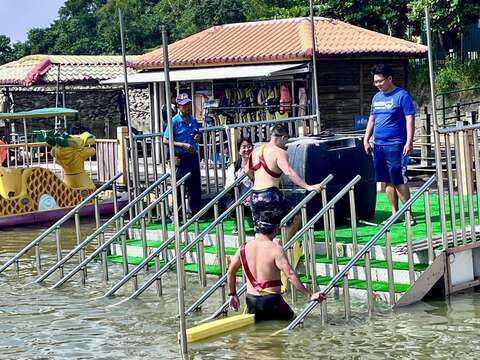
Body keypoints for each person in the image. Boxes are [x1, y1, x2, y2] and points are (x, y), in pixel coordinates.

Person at [227, 225, 325, 321]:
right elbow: (290, 274)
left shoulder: (243, 248)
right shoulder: (275, 249)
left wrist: (233, 294)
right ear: (276, 228)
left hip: (251, 301)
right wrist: (309, 295)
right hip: (272, 301)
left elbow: (230, 272)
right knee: (298, 324)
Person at [246, 124, 322, 238]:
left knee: (261, 232)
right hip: (270, 196)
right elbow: (289, 172)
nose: (285, 144)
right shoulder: (280, 152)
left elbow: (247, 170)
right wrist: (307, 186)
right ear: (283, 137)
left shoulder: (256, 151)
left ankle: (262, 254)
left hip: (255, 196)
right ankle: (282, 248)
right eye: (286, 140)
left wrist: (255, 179)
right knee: (295, 218)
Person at [363, 64, 416, 225]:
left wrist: (409, 141)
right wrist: (366, 139)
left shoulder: (402, 96)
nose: (377, 84)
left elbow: (410, 119)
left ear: (390, 79)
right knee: (385, 180)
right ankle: (395, 213)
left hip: (396, 144)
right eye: (375, 82)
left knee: (398, 179)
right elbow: (372, 119)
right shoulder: (376, 98)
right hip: (378, 145)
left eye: (380, 81)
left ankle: (408, 214)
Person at [163, 93, 202, 216]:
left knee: (195, 186)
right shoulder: (174, 121)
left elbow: (197, 134)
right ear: (178, 106)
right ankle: (178, 214)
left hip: (193, 156)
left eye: (188, 104)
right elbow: (165, 140)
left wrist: (197, 137)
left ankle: (195, 213)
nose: (186, 107)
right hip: (181, 157)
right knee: (180, 186)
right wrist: (182, 145)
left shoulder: (193, 119)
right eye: (183, 105)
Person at [224, 137, 254, 234]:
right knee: (234, 204)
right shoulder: (234, 167)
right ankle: (237, 224)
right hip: (239, 198)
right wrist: (240, 178)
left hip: (255, 196)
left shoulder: (257, 164)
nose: (247, 150)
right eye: (243, 147)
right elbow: (228, 187)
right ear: (239, 150)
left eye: (249, 147)